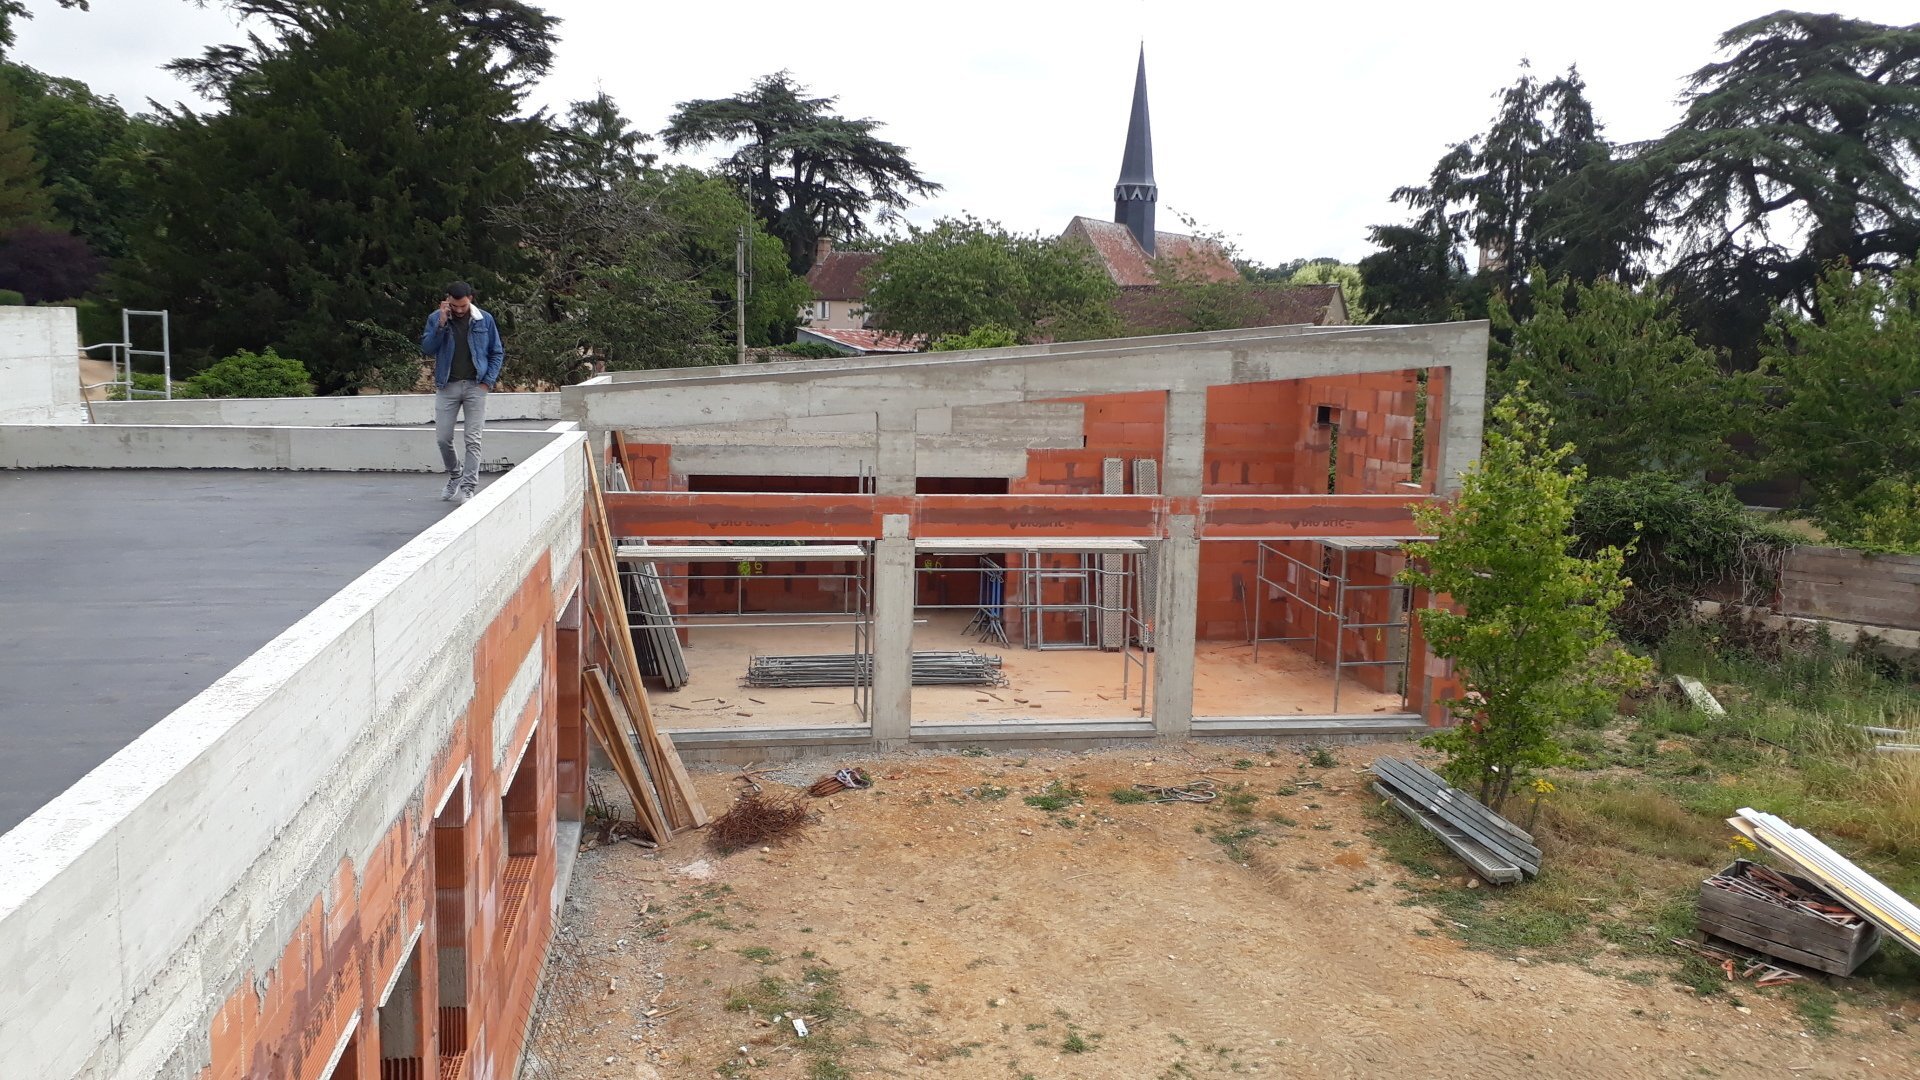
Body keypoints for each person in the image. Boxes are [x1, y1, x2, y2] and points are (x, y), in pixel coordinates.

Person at [420, 281, 505, 504]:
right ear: (447, 300)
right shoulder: (436, 318)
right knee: (443, 438)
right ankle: (455, 475)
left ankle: (468, 487)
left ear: (471, 300)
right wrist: (440, 323)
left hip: (476, 385)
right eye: (455, 306)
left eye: (463, 306)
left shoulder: (484, 320)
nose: (459, 310)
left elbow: (496, 352)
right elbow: (427, 348)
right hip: (447, 386)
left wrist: (487, 382)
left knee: (473, 440)